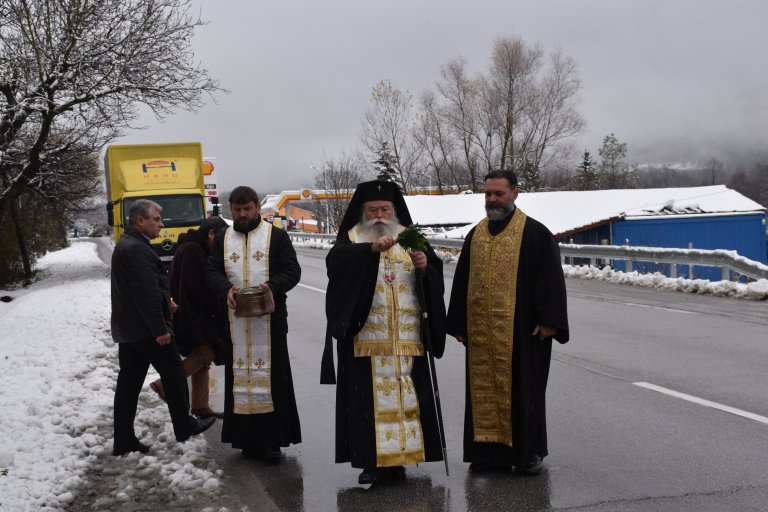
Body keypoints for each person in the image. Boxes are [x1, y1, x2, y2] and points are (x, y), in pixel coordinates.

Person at [323, 180, 446, 485]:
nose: (379, 215)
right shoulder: (352, 239)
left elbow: (434, 274)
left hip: (406, 338)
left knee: (408, 399)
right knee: (367, 404)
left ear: (394, 210)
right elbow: (335, 267)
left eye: (385, 209)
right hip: (366, 337)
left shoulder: (411, 237)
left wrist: (423, 266)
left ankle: (405, 456)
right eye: (373, 209)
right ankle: (371, 462)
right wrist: (368, 252)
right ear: (363, 212)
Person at [446, 170, 569, 475]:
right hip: (482, 334)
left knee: (525, 392)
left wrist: (550, 321)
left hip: (525, 333)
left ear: (515, 193)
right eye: (487, 194)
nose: (492, 200)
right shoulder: (476, 234)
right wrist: (459, 324)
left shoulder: (535, 234)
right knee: (482, 392)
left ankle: (529, 453)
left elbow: (551, 280)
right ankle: (487, 453)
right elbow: (462, 280)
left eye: (498, 194)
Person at [111, 199, 216, 456]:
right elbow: (144, 294)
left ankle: (123, 440)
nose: (162, 224)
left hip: (131, 330)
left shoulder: (128, 245)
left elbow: (141, 290)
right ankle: (185, 425)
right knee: (175, 375)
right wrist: (160, 328)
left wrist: (164, 302)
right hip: (148, 330)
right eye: (156, 219)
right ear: (140, 221)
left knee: (129, 385)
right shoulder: (137, 250)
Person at [205, 186, 302, 463]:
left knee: (273, 381)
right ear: (231, 209)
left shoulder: (276, 236)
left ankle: (273, 441)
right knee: (240, 379)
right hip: (236, 325)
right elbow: (210, 269)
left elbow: (292, 270)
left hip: (270, 323)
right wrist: (225, 288)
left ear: (257, 207)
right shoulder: (223, 238)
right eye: (237, 210)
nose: (243, 214)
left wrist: (272, 286)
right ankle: (247, 441)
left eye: (247, 209)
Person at [150, 216, 229, 419]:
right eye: (221, 240)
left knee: (204, 360)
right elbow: (197, 287)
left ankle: (200, 406)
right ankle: (165, 385)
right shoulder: (194, 250)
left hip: (190, 313)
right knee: (206, 354)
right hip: (192, 316)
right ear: (211, 234)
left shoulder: (193, 247)